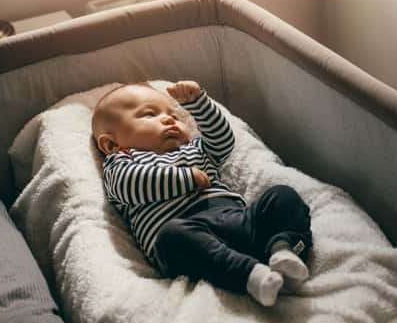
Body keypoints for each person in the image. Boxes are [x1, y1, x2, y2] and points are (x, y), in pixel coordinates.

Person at [92, 80, 312, 307]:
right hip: (188, 233)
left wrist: (199, 104)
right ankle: (250, 275)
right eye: (149, 115)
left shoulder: (195, 148)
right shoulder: (121, 163)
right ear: (111, 144)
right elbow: (130, 185)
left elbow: (223, 142)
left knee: (282, 196)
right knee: (171, 237)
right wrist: (185, 179)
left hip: (240, 221)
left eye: (175, 115)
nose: (169, 119)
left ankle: (284, 250)